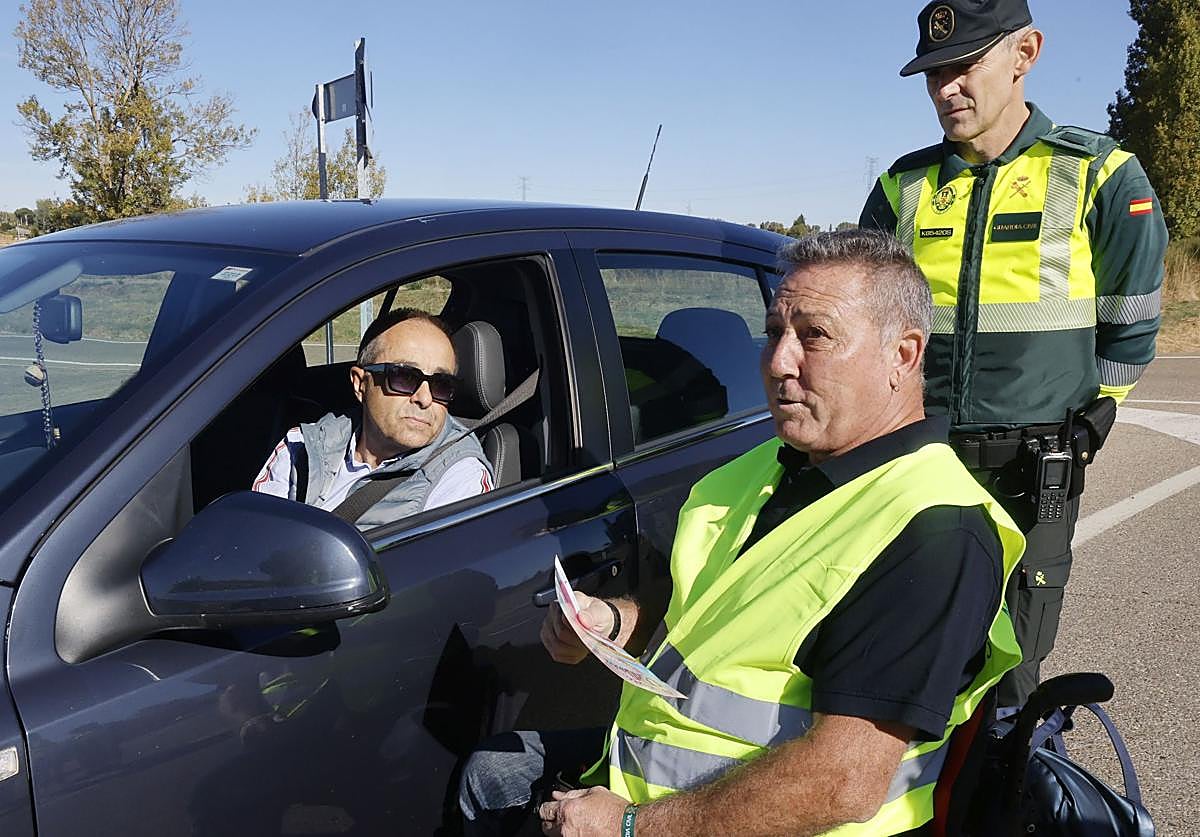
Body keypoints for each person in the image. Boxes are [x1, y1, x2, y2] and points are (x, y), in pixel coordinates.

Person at [458, 230, 1026, 837]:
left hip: (754, 822)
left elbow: (841, 781)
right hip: (645, 773)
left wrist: (630, 827)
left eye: (815, 336)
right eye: (775, 331)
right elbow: (704, 619)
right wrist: (614, 623)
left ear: (904, 356)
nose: (780, 361)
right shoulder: (759, 471)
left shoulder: (935, 528)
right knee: (491, 772)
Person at [859, 0, 1168, 707]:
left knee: (1009, 688)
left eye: (963, 66)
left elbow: (1132, 327)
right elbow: (864, 327)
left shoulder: (1102, 176)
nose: (946, 89)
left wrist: (1095, 417)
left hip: (1036, 477)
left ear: (1024, 54)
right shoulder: (901, 188)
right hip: (920, 472)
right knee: (907, 672)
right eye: (934, 73)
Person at [252, 308, 493, 528]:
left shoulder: (459, 474)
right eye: (404, 377)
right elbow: (256, 535)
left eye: (442, 384)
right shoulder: (304, 443)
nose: (425, 399)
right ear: (360, 384)